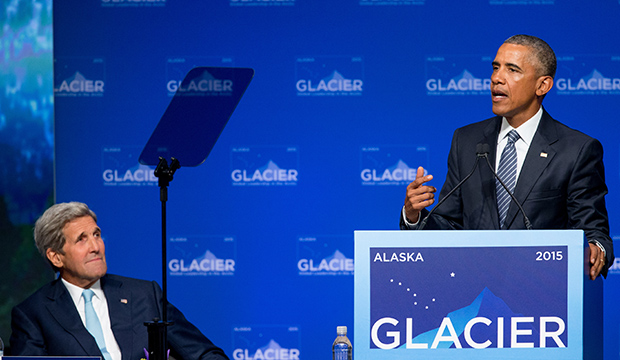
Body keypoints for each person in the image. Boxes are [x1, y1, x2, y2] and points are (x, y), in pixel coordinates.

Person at [400, 34, 614, 280]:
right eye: (495, 67)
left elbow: (592, 231)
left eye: (512, 70)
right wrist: (414, 215)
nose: (496, 78)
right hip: (472, 289)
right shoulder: (467, 140)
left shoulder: (576, 149)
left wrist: (596, 249)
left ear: (542, 85)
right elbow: (449, 226)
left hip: (542, 290)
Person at [10, 202, 229, 360]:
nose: (96, 247)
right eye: (81, 239)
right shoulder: (33, 314)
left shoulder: (144, 294)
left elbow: (204, 353)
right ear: (56, 257)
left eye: (96, 235)